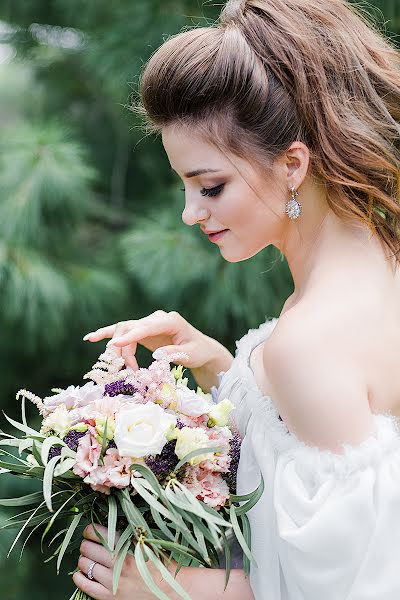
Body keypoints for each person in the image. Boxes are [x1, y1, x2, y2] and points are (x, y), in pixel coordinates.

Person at [73, 0, 400, 598]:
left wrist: (174, 589)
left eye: (210, 187)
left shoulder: (310, 342)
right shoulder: (381, 256)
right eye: (186, 187)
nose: (190, 213)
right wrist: (221, 370)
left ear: (292, 163)